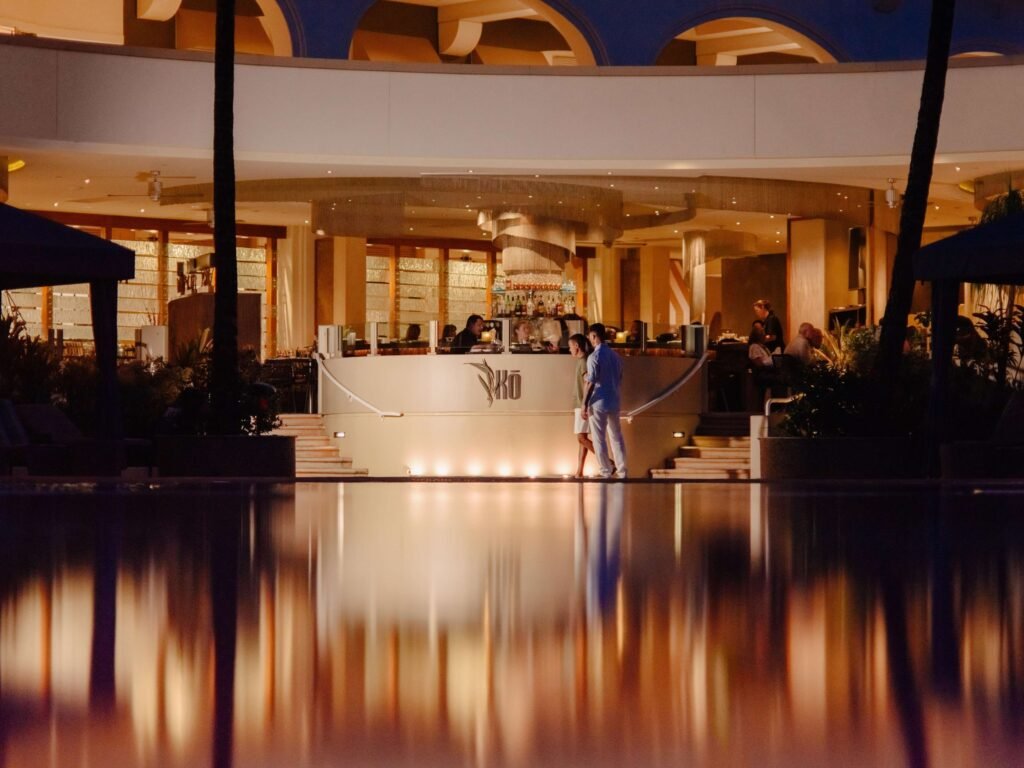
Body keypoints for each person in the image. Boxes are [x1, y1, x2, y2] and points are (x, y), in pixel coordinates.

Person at [583, 322, 627, 479]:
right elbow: (619, 377)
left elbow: (592, 381)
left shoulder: (594, 357)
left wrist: (584, 404)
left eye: (590, 336)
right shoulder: (615, 356)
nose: (589, 338)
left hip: (598, 401)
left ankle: (605, 471)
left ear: (594, 336)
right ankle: (622, 471)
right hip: (614, 400)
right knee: (617, 437)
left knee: (598, 439)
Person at [569, 333, 596, 477]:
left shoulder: (584, 362)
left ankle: (607, 462)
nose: (569, 350)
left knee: (581, 438)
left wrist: (584, 403)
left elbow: (588, 382)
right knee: (582, 438)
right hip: (581, 403)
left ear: (577, 346)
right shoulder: (582, 361)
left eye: (570, 346)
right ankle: (579, 471)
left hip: (582, 403)